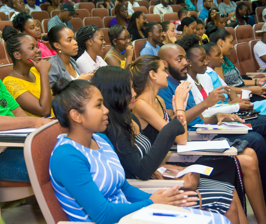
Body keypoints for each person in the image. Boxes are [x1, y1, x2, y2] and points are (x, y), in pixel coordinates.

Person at [49, 77, 232, 223]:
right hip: (116, 220)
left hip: (131, 215)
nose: (106, 110)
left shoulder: (101, 139)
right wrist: (151, 203)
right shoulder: (67, 156)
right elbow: (102, 215)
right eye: (98, 106)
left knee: (217, 217)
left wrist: (161, 198)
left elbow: (124, 188)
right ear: (76, 115)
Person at [92, 65, 247, 224]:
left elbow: (150, 156)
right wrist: (179, 110)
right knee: (226, 199)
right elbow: (143, 170)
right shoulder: (113, 129)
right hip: (146, 189)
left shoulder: (129, 118)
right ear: (114, 93)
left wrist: (169, 169)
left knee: (230, 190)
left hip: (156, 178)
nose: (133, 93)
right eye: (128, 89)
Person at [157, 43, 266, 221]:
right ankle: (265, 211)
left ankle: (265, 213)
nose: (185, 63)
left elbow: (197, 118)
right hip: (189, 140)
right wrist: (206, 104)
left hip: (201, 130)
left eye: (185, 59)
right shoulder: (166, 87)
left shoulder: (180, 81)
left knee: (254, 144)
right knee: (252, 146)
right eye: (179, 60)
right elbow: (176, 127)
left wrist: (218, 115)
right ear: (164, 64)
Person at [2, 26, 53, 117]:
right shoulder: (10, 83)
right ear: (17, 55)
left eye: (37, 47)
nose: (38, 50)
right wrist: (44, 73)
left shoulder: (35, 70)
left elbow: (52, 98)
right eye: (32, 48)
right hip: (41, 128)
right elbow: (44, 111)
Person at [210, 28, 266, 102]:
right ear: (221, 43)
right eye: (230, 42)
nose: (232, 46)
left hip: (246, 92)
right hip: (241, 97)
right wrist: (252, 90)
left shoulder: (226, 59)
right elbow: (225, 88)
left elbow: (238, 82)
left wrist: (257, 82)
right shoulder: (217, 63)